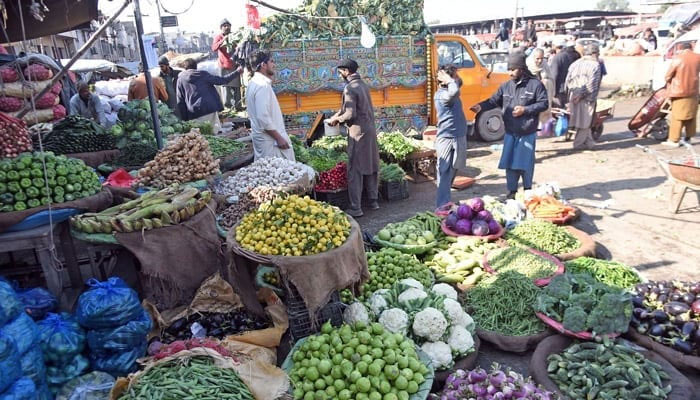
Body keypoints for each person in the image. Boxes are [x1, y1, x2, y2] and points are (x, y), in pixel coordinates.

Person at [470, 52, 548, 199]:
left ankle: (527, 190)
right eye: (509, 69)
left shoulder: (535, 85)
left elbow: (544, 103)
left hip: (527, 132)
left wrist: (525, 110)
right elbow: (493, 101)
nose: (510, 73)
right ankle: (511, 191)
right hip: (510, 132)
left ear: (522, 69)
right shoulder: (505, 86)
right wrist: (481, 106)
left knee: (525, 163)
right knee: (510, 163)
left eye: (513, 69)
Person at [327, 58, 380, 217]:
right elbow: (346, 108)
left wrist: (337, 120)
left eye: (340, 72)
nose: (340, 75)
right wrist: (336, 114)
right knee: (371, 166)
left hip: (358, 134)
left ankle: (356, 207)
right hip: (370, 131)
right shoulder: (363, 85)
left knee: (355, 169)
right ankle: (373, 201)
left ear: (346, 71)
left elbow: (350, 113)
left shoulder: (350, 88)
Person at [245, 51, 295, 161]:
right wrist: (279, 138)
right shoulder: (262, 86)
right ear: (263, 65)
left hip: (265, 141)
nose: (274, 65)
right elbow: (263, 117)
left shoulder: (253, 83)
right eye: (271, 61)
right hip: (271, 142)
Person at [176, 58, 241, 133]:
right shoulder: (203, 74)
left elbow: (180, 101)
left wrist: (184, 119)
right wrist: (237, 72)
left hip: (194, 112)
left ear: (185, 68)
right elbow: (222, 80)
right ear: (196, 67)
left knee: (201, 136)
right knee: (214, 133)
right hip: (209, 108)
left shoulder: (180, 80)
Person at [433, 65, 467, 208]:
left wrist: (452, 78)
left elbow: (459, 83)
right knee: (444, 171)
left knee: (455, 168)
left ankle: (446, 199)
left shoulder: (453, 88)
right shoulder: (442, 95)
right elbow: (454, 92)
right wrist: (449, 79)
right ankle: (442, 206)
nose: (457, 78)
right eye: (454, 76)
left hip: (459, 136)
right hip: (446, 138)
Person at [565, 43, 603, 150]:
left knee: (581, 120)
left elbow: (567, 81)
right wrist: (581, 95)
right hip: (586, 97)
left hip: (573, 95)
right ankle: (578, 144)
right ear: (594, 53)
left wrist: (573, 95)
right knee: (585, 121)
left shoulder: (575, 64)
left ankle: (589, 143)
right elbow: (591, 84)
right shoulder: (595, 65)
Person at [663, 42, 700, 146]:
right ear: (691, 48)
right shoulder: (698, 57)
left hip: (679, 92)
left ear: (681, 49)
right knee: (691, 116)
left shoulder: (678, 58)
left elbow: (668, 76)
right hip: (694, 91)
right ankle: (688, 138)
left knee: (677, 116)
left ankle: (674, 140)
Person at [211, 19, 242, 110]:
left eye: (228, 25)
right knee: (226, 87)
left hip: (234, 65)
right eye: (224, 26)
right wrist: (223, 40)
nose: (226, 27)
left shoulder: (235, 36)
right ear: (221, 28)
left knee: (236, 87)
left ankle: (238, 106)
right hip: (224, 66)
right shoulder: (218, 37)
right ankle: (227, 106)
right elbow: (214, 48)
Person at [527, 48, 555, 123]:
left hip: (544, 93)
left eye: (541, 58)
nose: (540, 61)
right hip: (531, 94)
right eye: (537, 58)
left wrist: (546, 82)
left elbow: (551, 77)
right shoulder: (528, 65)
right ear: (533, 57)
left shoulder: (544, 64)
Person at [550, 40, 580, 108]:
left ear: (555, 47)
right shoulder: (570, 55)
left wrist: (552, 91)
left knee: (559, 109)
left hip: (559, 89)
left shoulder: (558, 57)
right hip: (569, 87)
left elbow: (554, 75)